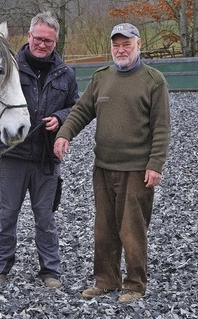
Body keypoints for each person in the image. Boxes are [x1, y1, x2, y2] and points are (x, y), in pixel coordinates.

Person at [54, 23, 170, 303]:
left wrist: (155, 164)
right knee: (103, 230)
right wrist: (64, 134)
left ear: (138, 45)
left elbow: (162, 128)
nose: (121, 50)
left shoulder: (154, 81)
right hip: (103, 168)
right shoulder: (101, 78)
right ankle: (106, 280)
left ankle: (135, 285)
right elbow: (81, 110)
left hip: (137, 170)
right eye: (116, 45)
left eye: (126, 44)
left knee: (132, 230)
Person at [0, 11, 79, 289]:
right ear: (28, 36)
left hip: (46, 159)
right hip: (12, 156)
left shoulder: (66, 74)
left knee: (46, 219)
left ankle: (50, 272)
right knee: (6, 217)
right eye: (38, 38)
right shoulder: (8, 68)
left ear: (56, 41)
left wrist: (61, 118)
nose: (42, 44)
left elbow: (76, 108)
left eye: (48, 41)